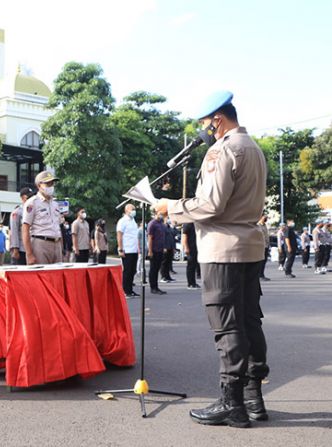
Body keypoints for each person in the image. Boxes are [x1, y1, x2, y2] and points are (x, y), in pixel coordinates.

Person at [155, 91, 269, 428]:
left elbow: (211, 205)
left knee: (227, 326)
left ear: (217, 120)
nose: (204, 130)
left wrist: (170, 206)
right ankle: (253, 398)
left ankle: (231, 404)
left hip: (222, 249)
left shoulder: (222, 150)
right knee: (250, 321)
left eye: (205, 123)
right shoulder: (255, 148)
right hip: (250, 246)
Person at [22, 171, 63, 265]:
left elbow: (58, 227)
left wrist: (61, 248)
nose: (51, 186)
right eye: (47, 184)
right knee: (41, 277)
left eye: (52, 183)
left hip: (57, 244)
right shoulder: (32, 203)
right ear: (39, 185)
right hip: (40, 243)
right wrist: (29, 254)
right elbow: (25, 228)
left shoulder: (55, 204)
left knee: (57, 277)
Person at [116, 204, 139, 298]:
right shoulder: (122, 221)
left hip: (134, 250)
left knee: (133, 270)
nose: (134, 211)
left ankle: (130, 290)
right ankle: (125, 291)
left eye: (134, 209)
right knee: (127, 271)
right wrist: (120, 249)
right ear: (126, 210)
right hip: (127, 250)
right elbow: (119, 235)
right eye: (132, 209)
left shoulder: (133, 221)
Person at [9, 187, 33, 265]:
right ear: (23, 198)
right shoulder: (17, 212)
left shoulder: (33, 211)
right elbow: (14, 231)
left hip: (32, 248)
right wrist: (15, 249)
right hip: (21, 249)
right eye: (29, 197)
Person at [147, 212, 167, 295]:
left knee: (157, 268)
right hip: (154, 249)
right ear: (155, 214)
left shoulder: (161, 224)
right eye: (160, 213)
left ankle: (156, 287)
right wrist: (150, 250)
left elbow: (163, 236)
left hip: (160, 249)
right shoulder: (152, 224)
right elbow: (150, 238)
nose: (161, 215)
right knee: (153, 269)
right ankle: (153, 287)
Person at [182, 222, 200, 289]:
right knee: (190, 266)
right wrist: (186, 248)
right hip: (190, 248)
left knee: (194, 266)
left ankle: (193, 282)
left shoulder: (194, 224)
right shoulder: (187, 224)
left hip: (195, 248)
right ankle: (190, 284)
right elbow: (184, 236)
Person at [257, 215, 271, 281]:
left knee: (264, 261)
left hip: (266, 245)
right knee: (261, 262)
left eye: (266, 217)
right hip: (261, 246)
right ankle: (260, 275)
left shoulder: (264, 225)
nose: (266, 218)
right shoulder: (258, 225)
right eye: (264, 217)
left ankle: (262, 274)